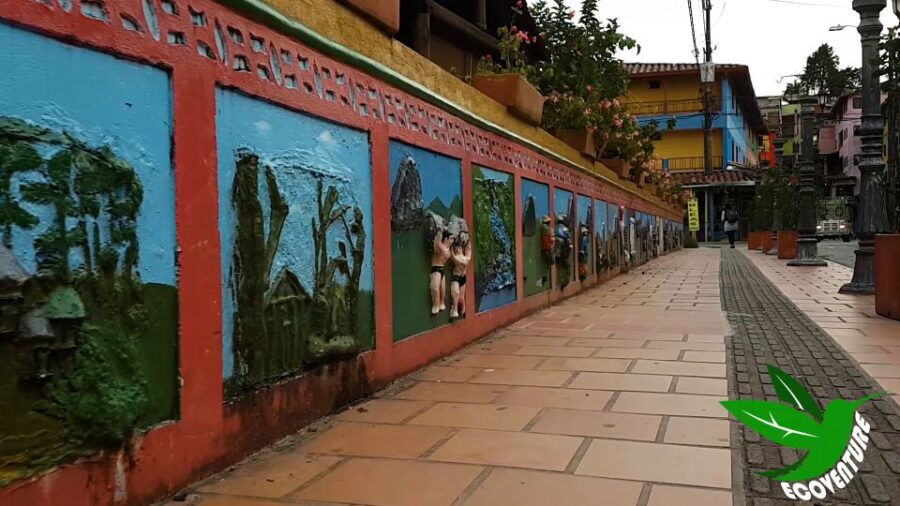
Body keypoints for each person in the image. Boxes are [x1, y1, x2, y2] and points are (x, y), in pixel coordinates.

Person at [430, 227, 453, 314]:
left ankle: (441, 303)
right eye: (451, 238)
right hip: (436, 268)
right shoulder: (440, 246)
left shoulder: (449, 249)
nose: (452, 240)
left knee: (443, 289)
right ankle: (435, 305)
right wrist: (440, 230)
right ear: (446, 239)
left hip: (442, 269)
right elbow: (437, 241)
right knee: (435, 288)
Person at [450, 240, 471, 318]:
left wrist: (468, 241)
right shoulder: (457, 257)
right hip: (456, 277)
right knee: (456, 293)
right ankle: (454, 309)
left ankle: (463, 310)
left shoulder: (465, 258)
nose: (458, 249)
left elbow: (468, 250)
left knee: (461, 298)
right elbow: (453, 257)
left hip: (463, 277)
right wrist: (451, 247)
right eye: (457, 248)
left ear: (462, 249)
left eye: (459, 248)